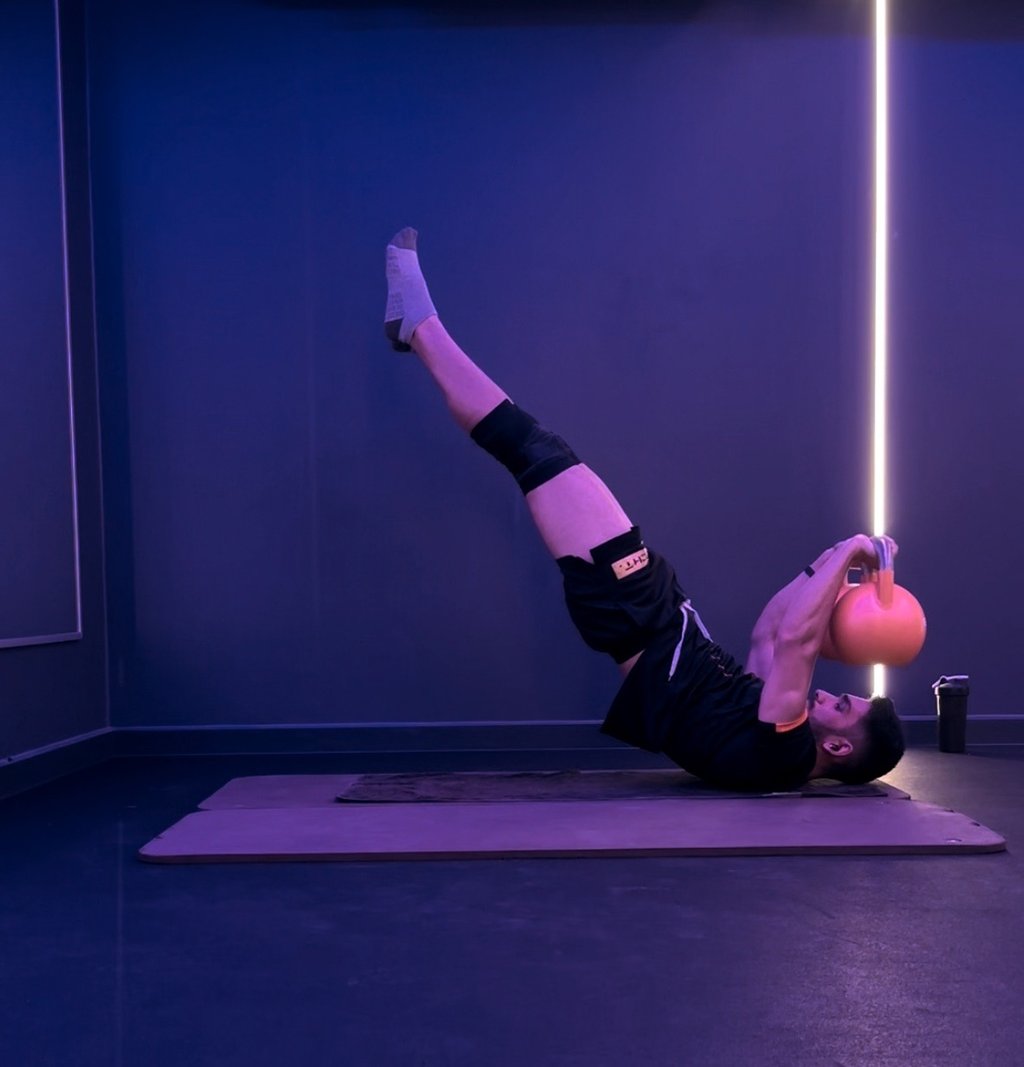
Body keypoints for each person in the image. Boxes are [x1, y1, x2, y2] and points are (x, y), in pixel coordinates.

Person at [383, 227, 906, 791]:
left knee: (532, 450)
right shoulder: (764, 727)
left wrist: (854, 547)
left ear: (836, 743)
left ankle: (420, 328)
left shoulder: (787, 752)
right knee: (537, 454)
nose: (829, 693)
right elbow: (769, 631)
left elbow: (797, 641)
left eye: (842, 705)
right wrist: (831, 558)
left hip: (635, 608)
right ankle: (418, 329)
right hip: (644, 609)